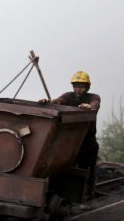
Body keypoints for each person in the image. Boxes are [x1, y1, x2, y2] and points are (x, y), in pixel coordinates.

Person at [39, 70, 101, 198]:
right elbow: (58, 101)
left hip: (87, 142)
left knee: (88, 169)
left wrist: (89, 107)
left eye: (81, 86)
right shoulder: (69, 96)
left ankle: (89, 193)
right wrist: (47, 101)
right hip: (71, 143)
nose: (78, 89)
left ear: (87, 87)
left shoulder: (93, 97)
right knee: (64, 168)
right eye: (76, 86)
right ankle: (62, 193)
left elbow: (95, 105)